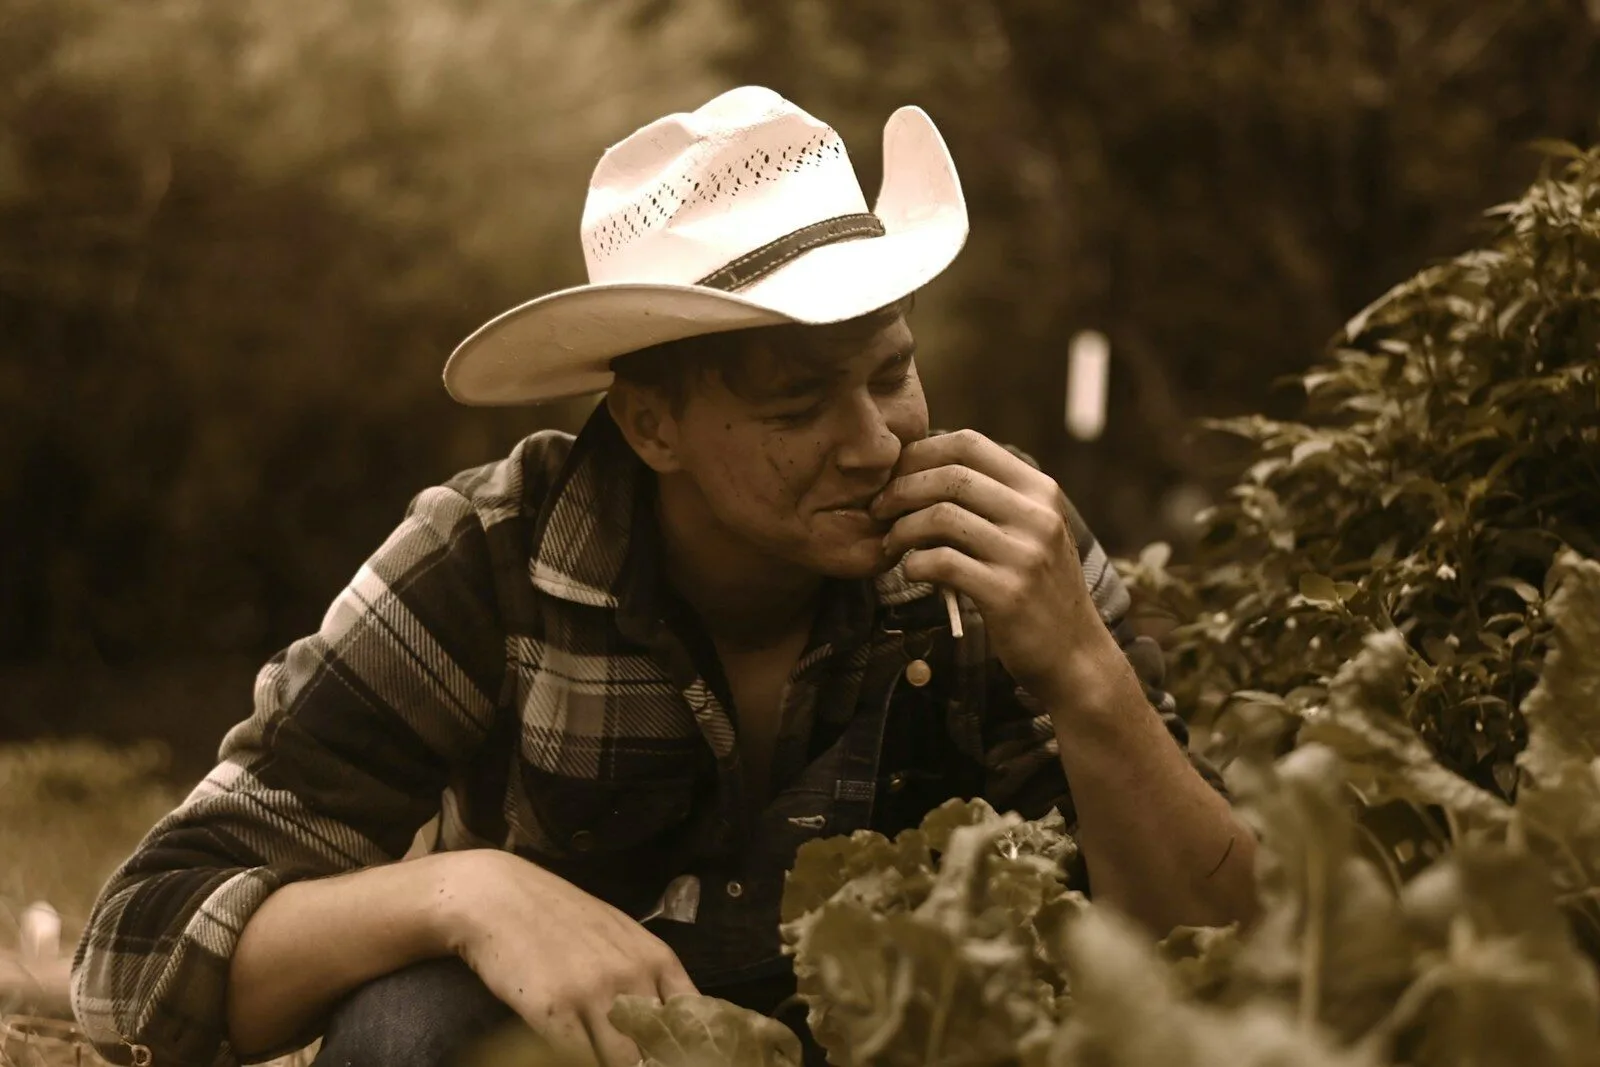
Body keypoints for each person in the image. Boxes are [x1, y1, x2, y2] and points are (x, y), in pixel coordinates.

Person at [70, 86, 1257, 1067]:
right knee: (410, 1024)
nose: (876, 441)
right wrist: (466, 893)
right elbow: (132, 954)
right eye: (798, 402)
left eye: (891, 373)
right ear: (651, 425)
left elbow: (1223, 959)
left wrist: (1090, 679)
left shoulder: (1004, 544)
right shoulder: (488, 559)